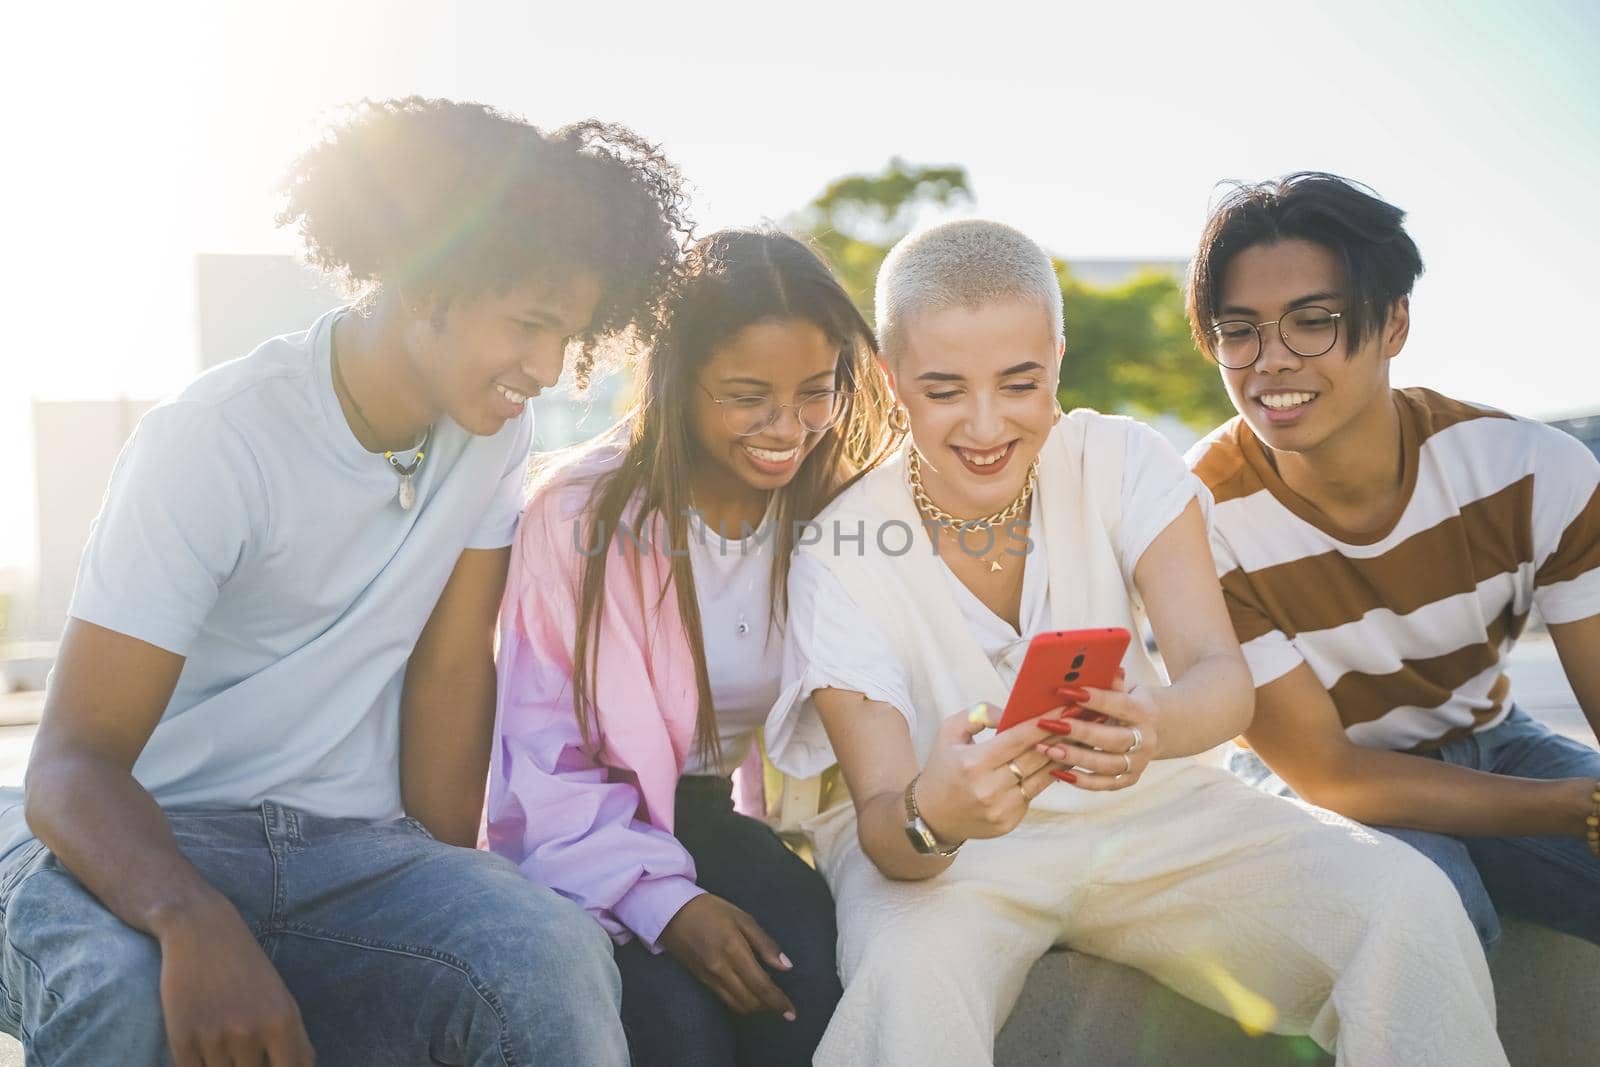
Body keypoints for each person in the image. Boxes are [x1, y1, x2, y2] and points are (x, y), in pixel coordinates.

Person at [0, 97, 689, 1065]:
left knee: (544, 952)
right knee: (126, 993)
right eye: (528, 326)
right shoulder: (216, 438)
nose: (546, 368)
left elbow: (452, 670)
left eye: (567, 336)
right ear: (423, 283)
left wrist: (462, 910)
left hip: (350, 855)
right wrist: (192, 918)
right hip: (133, 840)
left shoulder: (493, 435)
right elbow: (69, 765)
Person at [764, 218, 1506, 1066]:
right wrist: (940, 815)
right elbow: (888, 830)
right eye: (943, 389)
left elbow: (1220, 679)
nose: (984, 424)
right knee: (906, 988)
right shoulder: (839, 549)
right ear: (892, 380)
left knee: (1408, 901)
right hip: (952, 866)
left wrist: (1151, 724)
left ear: (1058, 355)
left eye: (1019, 383)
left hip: (1154, 815)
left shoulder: (1120, 457)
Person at [487, 229, 897, 1065]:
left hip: (714, 819)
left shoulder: (839, 513)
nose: (790, 427)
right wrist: (664, 901)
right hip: (585, 839)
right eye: (749, 395)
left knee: (806, 985)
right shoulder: (579, 515)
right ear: (679, 383)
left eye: (815, 392)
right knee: (674, 1026)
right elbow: (539, 759)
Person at [1185, 172, 1600, 954]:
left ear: (1394, 323)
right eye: (1239, 331)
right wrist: (1567, 806)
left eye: (1313, 322)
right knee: (1427, 910)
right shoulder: (1197, 515)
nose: (1269, 361)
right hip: (1311, 786)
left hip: (1496, 739)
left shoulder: (1533, 472)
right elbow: (1329, 774)